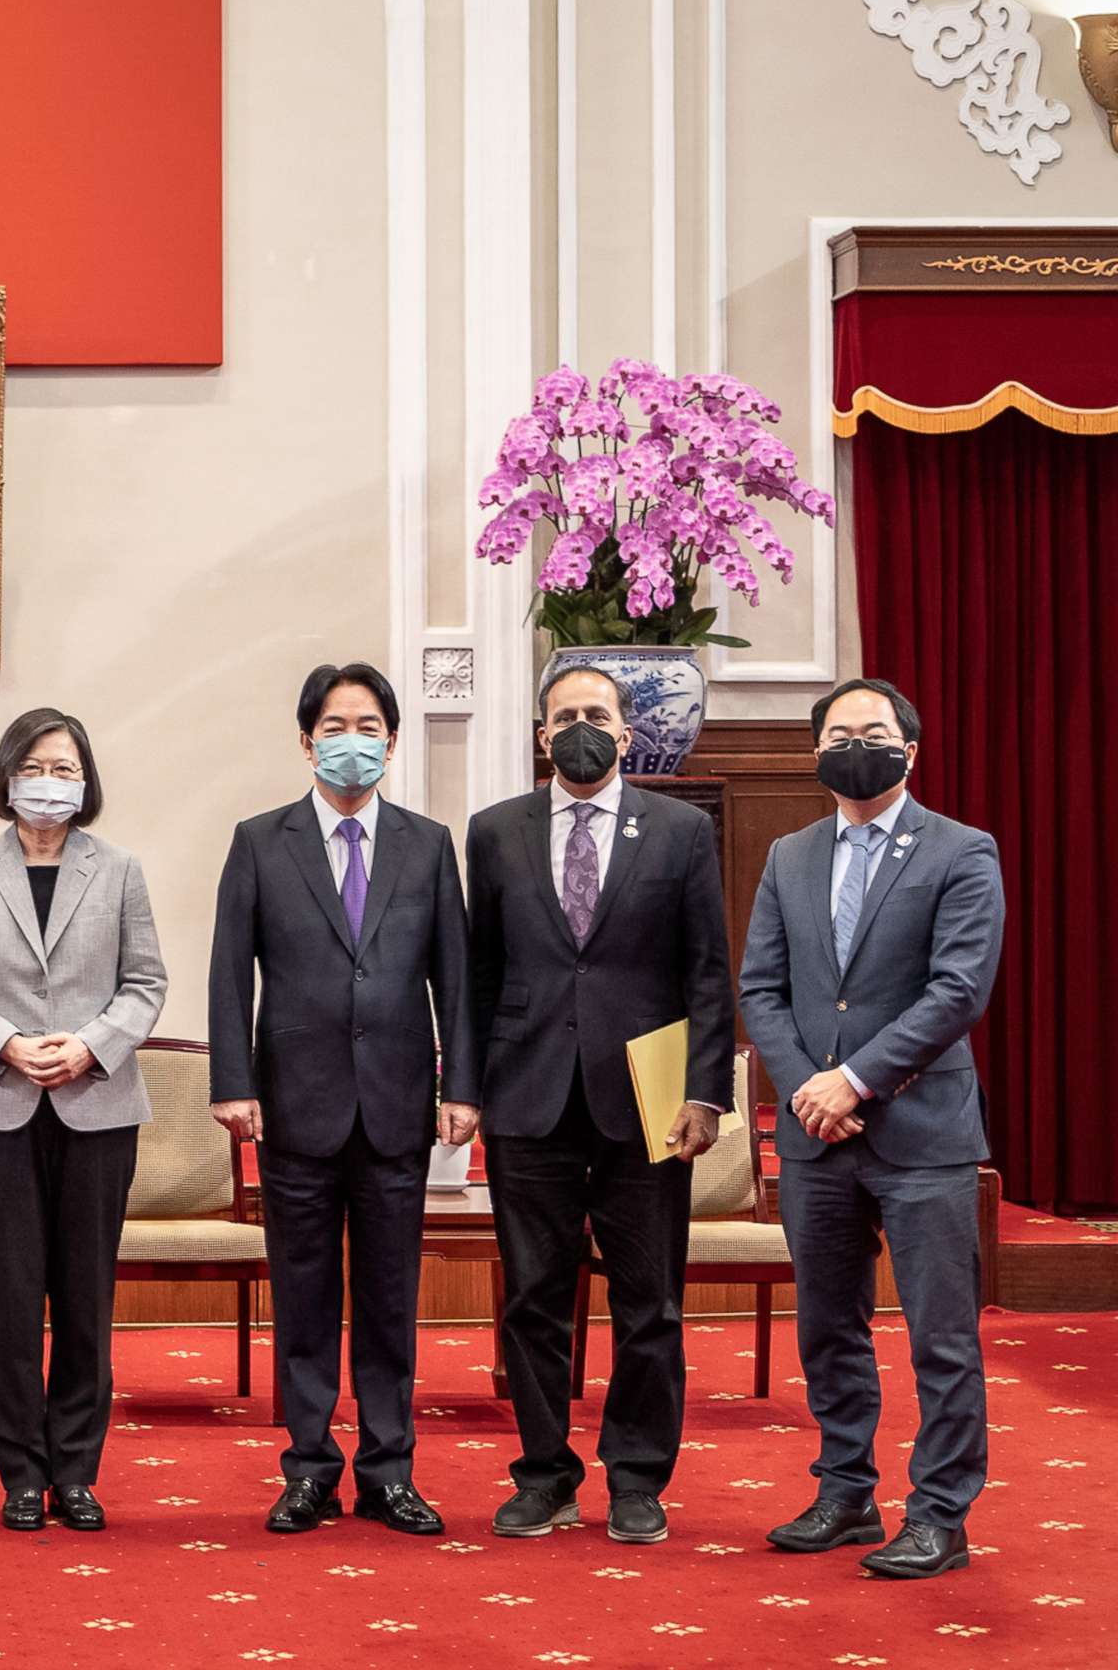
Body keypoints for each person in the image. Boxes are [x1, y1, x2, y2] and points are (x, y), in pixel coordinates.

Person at [453, 664, 730, 1548]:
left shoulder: (683, 830)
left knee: (650, 1301)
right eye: (564, 715)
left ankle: (640, 1479)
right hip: (527, 1094)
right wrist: (467, 1086)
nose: (581, 727)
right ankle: (544, 1476)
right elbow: (477, 974)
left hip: (646, 1097)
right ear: (543, 734)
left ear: (625, 730)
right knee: (533, 1298)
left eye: (597, 715)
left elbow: (705, 972)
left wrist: (705, 1092)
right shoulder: (495, 832)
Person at [740, 678, 1002, 1580]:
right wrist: (811, 1089)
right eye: (841, 732)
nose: (859, 743)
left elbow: (958, 990)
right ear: (817, 753)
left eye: (876, 731)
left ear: (911, 750)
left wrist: (853, 1080)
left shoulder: (964, 852)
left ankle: (940, 1512)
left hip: (922, 1133)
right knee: (829, 1328)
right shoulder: (789, 854)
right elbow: (760, 990)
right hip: (818, 1141)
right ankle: (846, 1490)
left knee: (940, 1334)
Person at [206, 662, 469, 1538]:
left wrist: (461, 1086)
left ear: (390, 742)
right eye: (333, 724)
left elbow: (455, 979)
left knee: (392, 1299)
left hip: (398, 1104)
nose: (349, 739)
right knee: (306, 1298)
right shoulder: (259, 840)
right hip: (293, 1105)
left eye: (367, 725)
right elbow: (227, 971)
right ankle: (310, 1468)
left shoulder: (428, 845)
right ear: (306, 739)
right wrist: (232, 1084)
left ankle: (391, 1470)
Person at [0, 708, 167, 1533]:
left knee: (87, 1297)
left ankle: (78, 1472)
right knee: (13, 1298)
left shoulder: (120, 869)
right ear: (6, 775)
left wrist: (90, 1046)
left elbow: (145, 985)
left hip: (96, 1104)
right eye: (36, 766)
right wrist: (10, 1044)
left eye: (66, 769)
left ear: (87, 782)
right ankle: (21, 1472)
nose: (50, 783)